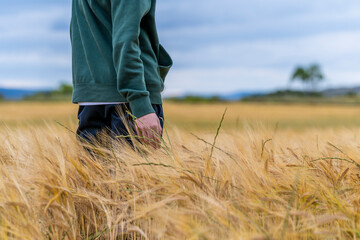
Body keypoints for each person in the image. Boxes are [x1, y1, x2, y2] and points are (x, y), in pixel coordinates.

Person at [70, 0, 172, 149]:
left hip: (91, 98)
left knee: (95, 172)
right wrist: (140, 103)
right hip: (130, 100)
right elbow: (126, 40)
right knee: (134, 172)